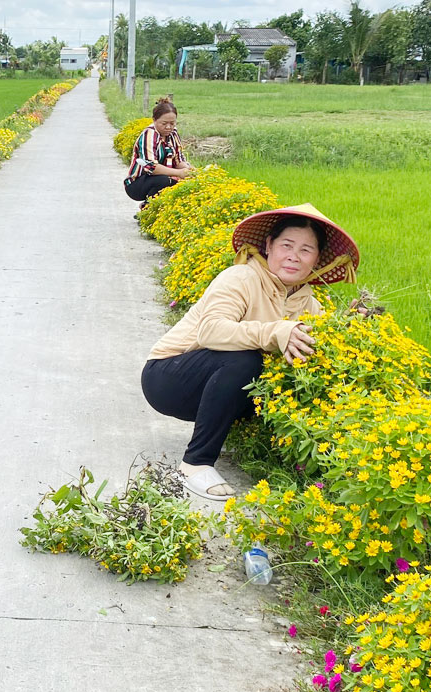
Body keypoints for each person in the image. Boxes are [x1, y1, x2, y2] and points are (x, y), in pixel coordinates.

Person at [140, 204, 360, 501]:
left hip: (220, 386)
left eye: (307, 250)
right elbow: (211, 332)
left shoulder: (308, 302)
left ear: (317, 259)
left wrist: (349, 330)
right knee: (247, 359)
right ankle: (195, 464)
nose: (295, 255)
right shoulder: (240, 277)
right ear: (268, 246)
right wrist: (275, 331)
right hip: (168, 377)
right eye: (286, 245)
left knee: (296, 367)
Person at [124, 97, 194, 205]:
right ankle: (147, 208)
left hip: (162, 176)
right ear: (154, 120)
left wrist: (188, 170)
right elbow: (151, 167)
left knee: (187, 180)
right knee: (165, 181)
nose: (168, 127)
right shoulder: (149, 134)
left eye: (172, 123)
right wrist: (179, 173)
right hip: (138, 184)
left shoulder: (173, 134)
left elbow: (178, 160)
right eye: (164, 123)